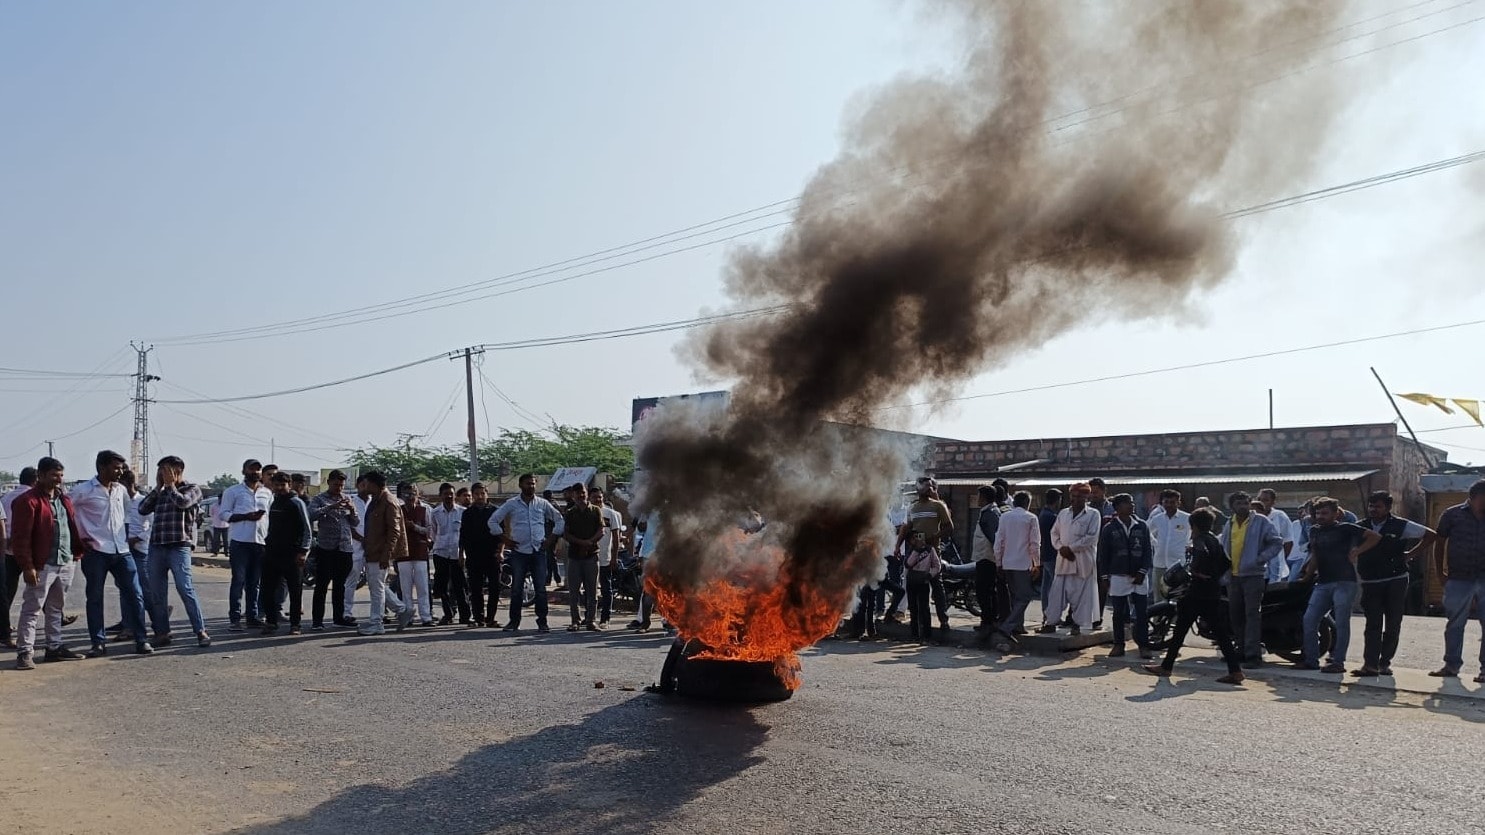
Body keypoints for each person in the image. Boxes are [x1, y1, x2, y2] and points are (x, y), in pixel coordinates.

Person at [1142, 508, 1245, 685]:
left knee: (1180, 631)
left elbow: (1198, 562)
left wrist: (1197, 573)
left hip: (1196, 594)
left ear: (1193, 525)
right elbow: (1226, 563)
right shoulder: (1214, 539)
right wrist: (1213, 577)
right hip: (1212, 593)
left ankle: (1166, 667)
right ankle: (1235, 671)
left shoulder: (1199, 541)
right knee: (1221, 634)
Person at [69, 450, 153, 658]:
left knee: (135, 594)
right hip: (96, 551)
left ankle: (141, 640)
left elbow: (125, 516)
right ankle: (98, 643)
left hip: (122, 551)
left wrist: (127, 537)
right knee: (95, 597)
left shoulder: (121, 490)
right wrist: (78, 539)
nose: (120, 471)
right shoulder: (83, 491)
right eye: (116, 467)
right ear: (101, 467)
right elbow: (66, 513)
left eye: (122, 468)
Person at [10, 457, 88, 668]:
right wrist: (27, 566)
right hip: (41, 565)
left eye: (61, 475)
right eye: (54, 475)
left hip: (64, 561)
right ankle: (25, 652)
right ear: (41, 475)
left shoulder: (64, 500)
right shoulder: (27, 501)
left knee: (55, 608)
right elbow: (21, 538)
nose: (58, 480)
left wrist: (75, 554)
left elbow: (69, 527)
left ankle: (54, 647)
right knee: (32, 608)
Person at [1353, 490, 1436, 677]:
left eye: (1378, 506)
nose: (1373, 510)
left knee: (1393, 622)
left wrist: (1411, 555)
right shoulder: (1361, 527)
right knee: (1372, 623)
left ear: (1388, 508)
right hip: (1370, 581)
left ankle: (1384, 663)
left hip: (1395, 580)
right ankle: (1370, 664)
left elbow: (1430, 535)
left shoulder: (1400, 525)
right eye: (1371, 506)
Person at [1296, 497, 1379, 672]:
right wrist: (1306, 577)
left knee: (1342, 623)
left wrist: (1357, 551)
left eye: (1325, 513)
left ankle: (1338, 662)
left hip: (1344, 581)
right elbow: (1315, 556)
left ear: (1336, 514)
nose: (1320, 516)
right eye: (1318, 513)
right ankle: (1311, 660)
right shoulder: (1314, 531)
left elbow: (1374, 537)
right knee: (1309, 619)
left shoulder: (1346, 528)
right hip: (1323, 582)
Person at [139, 455, 211, 648]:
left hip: (179, 546)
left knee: (185, 588)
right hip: (157, 547)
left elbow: (183, 503)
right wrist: (157, 488)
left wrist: (170, 486)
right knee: (157, 593)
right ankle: (162, 632)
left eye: (166, 470)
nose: (163, 475)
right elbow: (142, 509)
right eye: (161, 471)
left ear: (178, 471)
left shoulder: (192, 489)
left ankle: (200, 631)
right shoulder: (161, 493)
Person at [489, 474, 563, 633]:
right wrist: (505, 539)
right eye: (528, 484)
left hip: (538, 551)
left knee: (541, 589)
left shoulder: (543, 504)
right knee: (516, 588)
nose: (531, 486)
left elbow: (559, 519)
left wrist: (551, 539)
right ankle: (513, 622)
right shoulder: (512, 504)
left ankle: (542, 622)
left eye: (533, 484)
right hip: (519, 552)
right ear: (520, 485)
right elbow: (493, 521)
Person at [1218, 491, 1283, 668]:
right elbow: (1223, 544)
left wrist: (1260, 559)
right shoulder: (1229, 523)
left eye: (1245, 503)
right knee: (1236, 615)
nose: (1243, 506)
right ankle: (1240, 651)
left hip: (1253, 576)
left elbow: (1276, 542)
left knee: (1252, 615)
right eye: (1238, 503)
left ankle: (1253, 655)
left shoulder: (1261, 521)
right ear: (1232, 507)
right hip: (1232, 576)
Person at [1430, 478, 1485, 682]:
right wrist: (1439, 573)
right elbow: (1439, 542)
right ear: (1472, 498)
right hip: (1459, 577)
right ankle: (1451, 665)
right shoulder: (1452, 514)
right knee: (1455, 624)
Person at [357, 471, 414, 636]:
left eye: (366, 483)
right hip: (373, 551)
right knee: (378, 585)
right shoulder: (376, 500)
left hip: (380, 553)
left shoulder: (389, 502)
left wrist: (386, 556)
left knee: (377, 589)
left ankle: (377, 623)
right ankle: (402, 609)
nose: (364, 486)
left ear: (374, 484)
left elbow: (394, 532)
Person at [1098, 493, 1155, 659]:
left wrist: (1143, 571)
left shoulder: (1142, 526)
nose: (1132, 505)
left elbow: (1147, 551)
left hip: (1139, 576)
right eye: (1128, 503)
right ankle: (1118, 644)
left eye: (1131, 503)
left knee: (1142, 612)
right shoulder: (1109, 528)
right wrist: (1104, 577)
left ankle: (1144, 645)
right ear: (1118, 507)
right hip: (1118, 575)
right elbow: (1104, 555)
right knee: (1118, 613)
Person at [219, 459, 272, 631]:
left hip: (260, 541)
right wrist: (245, 517)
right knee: (239, 581)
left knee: (254, 582)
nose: (255, 472)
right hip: (240, 542)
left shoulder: (267, 493)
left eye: (258, 469)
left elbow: (269, 517)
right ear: (244, 471)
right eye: (252, 469)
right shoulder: (233, 491)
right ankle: (235, 618)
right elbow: (224, 514)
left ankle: (252, 617)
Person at [897, 477, 953, 635]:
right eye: (924, 486)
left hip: (932, 553)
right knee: (916, 590)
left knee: (937, 586)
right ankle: (918, 626)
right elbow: (906, 528)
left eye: (930, 486)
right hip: (916, 555)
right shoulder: (913, 508)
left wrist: (935, 537)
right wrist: (897, 545)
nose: (928, 489)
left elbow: (949, 527)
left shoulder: (938, 506)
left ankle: (944, 620)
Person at [1042, 483, 1100, 636]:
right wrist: (1061, 547)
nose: (1075, 499)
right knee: (1056, 593)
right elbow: (1054, 533)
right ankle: (1050, 622)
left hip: (1083, 561)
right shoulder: (1063, 514)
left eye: (1079, 497)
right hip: (1063, 560)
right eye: (1073, 496)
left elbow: (1091, 538)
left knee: (1082, 597)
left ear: (1086, 497)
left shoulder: (1094, 514)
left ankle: (1078, 625)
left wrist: (1071, 548)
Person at [260, 472, 311, 635]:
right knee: (268, 590)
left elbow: (306, 529)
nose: (280, 488)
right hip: (272, 553)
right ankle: (271, 622)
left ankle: (295, 625)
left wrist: (303, 551)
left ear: (289, 485)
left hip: (292, 555)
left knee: (295, 591)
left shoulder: (296, 503)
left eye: (283, 485)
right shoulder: (273, 502)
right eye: (277, 485)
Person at [307, 470, 358, 630]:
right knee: (322, 585)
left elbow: (355, 522)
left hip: (344, 548)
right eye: (336, 484)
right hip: (326, 547)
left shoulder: (347, 498)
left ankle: (339, 617)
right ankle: (317, 621)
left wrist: (351, 510)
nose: (338, 488)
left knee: (340, 585)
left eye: (341, 485)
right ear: (328, 482)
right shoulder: (319, 499)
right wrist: (330, 507)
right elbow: (311, 515)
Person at [990, 490, 1040, 649]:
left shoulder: (1005, 517)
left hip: (1007, 562)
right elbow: (1034, 544)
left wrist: (998, 562)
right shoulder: (1031, 518)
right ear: (1027, 503)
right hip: (1022, 563)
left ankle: (1018, 626)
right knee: (1025, 596)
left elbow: (999, 542)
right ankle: (1007, 626)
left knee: (1015, 597)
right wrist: (1036, 564)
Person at [2, 466, 39, 649]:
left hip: (8, 550)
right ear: (35, 480)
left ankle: (5, 626)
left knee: (7, 592)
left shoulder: (7, 496)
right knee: (40, 588)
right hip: (27, 551)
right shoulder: (32, 497)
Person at [562, 486, 604, 631]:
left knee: (592, 591)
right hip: (574, 556)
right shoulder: (570, 513)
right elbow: (566, 534)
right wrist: (581, 543)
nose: (581, 495)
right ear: (573, 495)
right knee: (574, 591)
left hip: (591, 556)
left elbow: (601, 530)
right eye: (578, 493)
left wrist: (590, 542)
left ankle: (591, 620)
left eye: (583, 493)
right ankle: (575, 621)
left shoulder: (595, 510)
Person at [460, 482, 501, 628]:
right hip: (473, 555)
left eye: (482, 493)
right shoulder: (467, 513)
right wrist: (461, 554)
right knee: (476, 589)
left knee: (494, 588)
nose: (479, 496)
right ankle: (478, 618)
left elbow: (502, 534)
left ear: (487, 494)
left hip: (492, 555)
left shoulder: (496, 511)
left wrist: (500, 552)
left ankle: (491, 618)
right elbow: (463, 535)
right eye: (476, 494)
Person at [429, 483, 470, 626]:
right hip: (440, 552)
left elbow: (465, 535)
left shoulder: (463, 512)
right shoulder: (435, 513)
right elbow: (433, 532)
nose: (449, 496)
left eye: (451, 494)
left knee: (460, 586)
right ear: (441, 496)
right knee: (442, 586)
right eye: (446, 494)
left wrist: (462, 553)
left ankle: (465, 615)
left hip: (457, 554)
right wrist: (438, 545)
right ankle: (448, 614)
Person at [396, 482, 434, 627]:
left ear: (418, 494)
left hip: (420, 550)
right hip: (403, 552)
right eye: (406, 494)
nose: (410, 497)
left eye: (412, 493)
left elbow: (429, 531)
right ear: (402, 495)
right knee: (405, 586)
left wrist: (414, 527)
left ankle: (426, 616)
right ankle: (409, 615)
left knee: (422, 585)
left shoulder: (425, 509)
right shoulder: (398, 510)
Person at [1145, 489, 1189, 604]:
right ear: (1162, 503)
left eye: (1172, 502)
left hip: (1178, 565)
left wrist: (1188, 546)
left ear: (1178, 503)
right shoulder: (1157, 518)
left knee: (1177, 597)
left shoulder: (1187, 518)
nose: (1169, 505)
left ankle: (1175, 622)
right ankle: (1158, 621)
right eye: (1166, 502)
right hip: (1159, 563)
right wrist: (1155, 543)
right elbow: (1146, 532)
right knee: (1158, 598)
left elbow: (1194, 536)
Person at [971, 484, 1004, 635]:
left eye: (979, 496)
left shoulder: (990, 514)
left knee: (984, 591)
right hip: (984, 556)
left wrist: (998, 559)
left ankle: (988, 621)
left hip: (987, 557)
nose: (977, 499)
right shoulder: (988, 512)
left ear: (983, 498)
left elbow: (994, 538)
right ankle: (988, 620)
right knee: (986, 590)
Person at [590, 487, 622, 627]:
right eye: (595, 497)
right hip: (589, 557)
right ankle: (590, 617)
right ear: (589, 498)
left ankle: (605, 618)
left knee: (606, 588)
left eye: (600, 497)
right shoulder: (588, 513)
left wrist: (614, 557)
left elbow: (616, 537)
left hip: (605, 558)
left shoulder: (611, 514)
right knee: (590, 588)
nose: (598, 499)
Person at [903, 531, 942, 642]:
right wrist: (917, 550)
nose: (917, 540)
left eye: (919, 537)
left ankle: (927, 635)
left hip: (923, 582)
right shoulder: (911, 551)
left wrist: (929, 574)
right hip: (912, 582)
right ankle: (914, 634)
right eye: (914, 538)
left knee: (924, 609)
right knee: (913, 609)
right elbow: (908, 564)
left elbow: (937, 566)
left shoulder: (930, 550)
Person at [1256, 489, 1294, 584]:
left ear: (1273, 502)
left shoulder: (1279, 516)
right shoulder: (1252, 517)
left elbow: (1288, 541)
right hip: (1255, 564)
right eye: (1259, 499)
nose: (1261, 502)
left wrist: (1281, 559)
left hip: (1275, 564)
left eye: (1265, 500)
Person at [1038, 489, 1062, 619]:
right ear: (1057, 500)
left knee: (1046, 586)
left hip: (1046, 554)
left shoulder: (1043, 514)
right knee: (1055, 587)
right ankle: (1052, 614)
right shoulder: (1052, 517)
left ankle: (1046, 612)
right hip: (1053, 555)